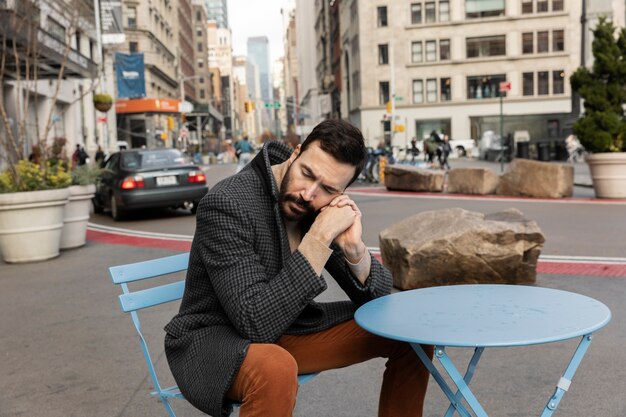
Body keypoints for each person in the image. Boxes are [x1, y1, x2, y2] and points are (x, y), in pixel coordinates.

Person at [164, 119, 433, 417]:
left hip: (288, 329)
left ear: (343, 192)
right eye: (307, 174)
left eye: (328, 188)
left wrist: (355, 250)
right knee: (275, 367)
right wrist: (318, 238)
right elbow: (256, 323)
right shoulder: (228, 203)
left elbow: (382, 304)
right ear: (294, 154)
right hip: (214, 341)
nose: (308, 194)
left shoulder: (318, 206)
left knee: (408, 334)